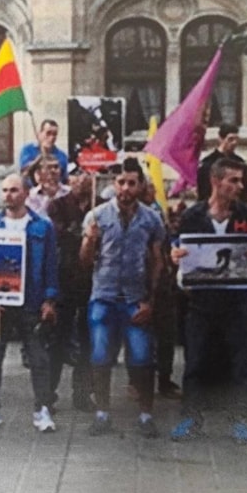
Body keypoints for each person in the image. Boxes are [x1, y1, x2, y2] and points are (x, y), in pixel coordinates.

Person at [169, 158, 247, 444]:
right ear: (215, 181)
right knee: (195, 361)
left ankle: (240, 420)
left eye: (241, 180)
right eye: (233, 180)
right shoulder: (192, 216)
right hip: (200, 302)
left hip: (236, 302)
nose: (240, 186)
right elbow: (177, 246)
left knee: (239, 363)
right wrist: (175, 255)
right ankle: (191, 417)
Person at [79, 158, 165, 438]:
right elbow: (84, 262)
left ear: (140, 186)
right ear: (114, 184)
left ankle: (145, 415)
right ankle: (102, 414)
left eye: (131, 183)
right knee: (101, 356)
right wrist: (89, 240)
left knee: (142, 358)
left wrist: (150, 301)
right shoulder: (97, 216)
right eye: (121, 182)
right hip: (103, 296)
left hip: (135, 298)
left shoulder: (151, 219)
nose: (126, 188)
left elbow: (157, 262)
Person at [0, 173, 60, 433]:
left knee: (38, 358)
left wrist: (50, 300)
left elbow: (51, 265)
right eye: (5, 190)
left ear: (26, 193)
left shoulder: (42, 226)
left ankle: (42, 409)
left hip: (31, 300)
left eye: (13, 190)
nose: (8, 195)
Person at [47, 169, 95, 411]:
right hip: (64, 278)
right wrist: (85, 234)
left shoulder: (99, 205)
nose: (82, 180)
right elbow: (59, 235)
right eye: (77, 175)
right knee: (58, 338)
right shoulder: (58, 205)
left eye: (87, 175)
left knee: (88, 339)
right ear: (69, 180)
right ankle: (48, 394)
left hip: (91, 279)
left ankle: (82, 393)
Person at [196, 124, 247, 202]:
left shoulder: (240, 162)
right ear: (220, 139)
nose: (234, 143)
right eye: (230, 139)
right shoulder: (208, 162)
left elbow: (244, 191)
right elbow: (203, 191)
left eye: (236, 139)